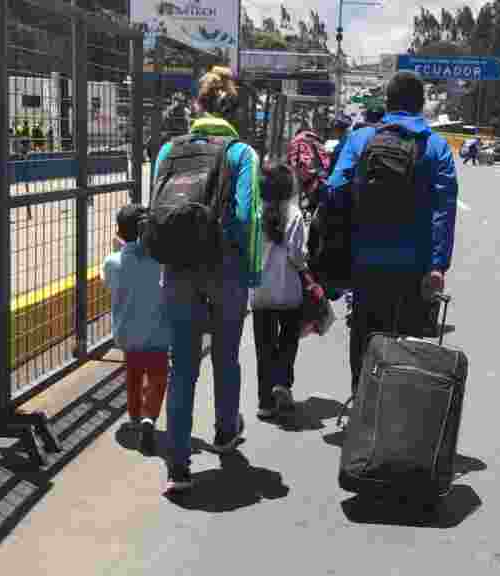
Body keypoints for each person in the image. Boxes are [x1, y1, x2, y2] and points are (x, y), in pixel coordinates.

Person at [156, 66, 262, 494]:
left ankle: (178, 465)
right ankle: (224, 432)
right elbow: (245, 218)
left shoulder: (168, 152)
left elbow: (158, 212)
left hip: (178, 272)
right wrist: (249, 273)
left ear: (196, 106)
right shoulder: (242, 154)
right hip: (225, 273)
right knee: (226, 357)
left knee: (181, 368)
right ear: (232, 111)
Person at [325, 70, 459, 395]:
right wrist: (438, 265)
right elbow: (444, 209)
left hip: (365, 260)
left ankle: (361, 401)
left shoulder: (361, 139)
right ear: (421, 105)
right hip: (414, 266)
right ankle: (396, 413)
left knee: (365, 334)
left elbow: (333, 189)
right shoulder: (436, 147)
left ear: (387, 102)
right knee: (406, 341)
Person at [100, 205, 172, 455]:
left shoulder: (112, 262)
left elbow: (109, 283)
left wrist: (118, 250)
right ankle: (149, 417)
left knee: (133, 375)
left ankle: (133, 418)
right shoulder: (160, 260)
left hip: (128, 334)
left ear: (119, 231)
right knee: (159, 378)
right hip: (158, 332)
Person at [251, 163, 316, 419]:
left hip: (261, 292)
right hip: (289, 290)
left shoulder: (255, 213)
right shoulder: (294, 214)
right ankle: (282, 383)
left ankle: (265, 402)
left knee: (263, 347)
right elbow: (298, 256)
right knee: (288, 341)